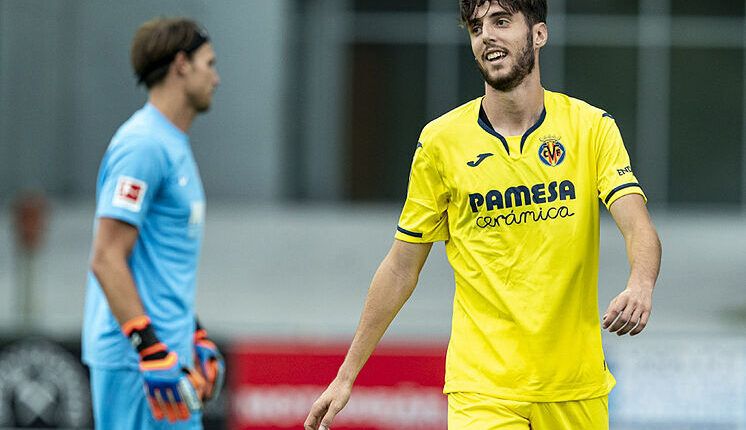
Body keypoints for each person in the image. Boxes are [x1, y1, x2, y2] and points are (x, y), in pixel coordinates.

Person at [305, 0, 661, 428]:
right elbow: (401, 268)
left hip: (575, 388)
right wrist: (345, 377)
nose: (486, 35)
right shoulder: (440, 142)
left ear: (539, 34)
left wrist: (640, 284)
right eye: (476, 27)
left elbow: (637, 224)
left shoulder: (591, 128)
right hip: (482, 390)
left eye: (502, 21)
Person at [82, 17, 224, 429]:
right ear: (182, 65)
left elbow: (159, 265)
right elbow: (107, 258)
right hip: (139, 366)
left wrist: (193, 334)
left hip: (167, 359)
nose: (217, 78)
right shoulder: (142, 145)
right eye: (209, 63)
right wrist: (148, 347)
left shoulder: (170, 143)